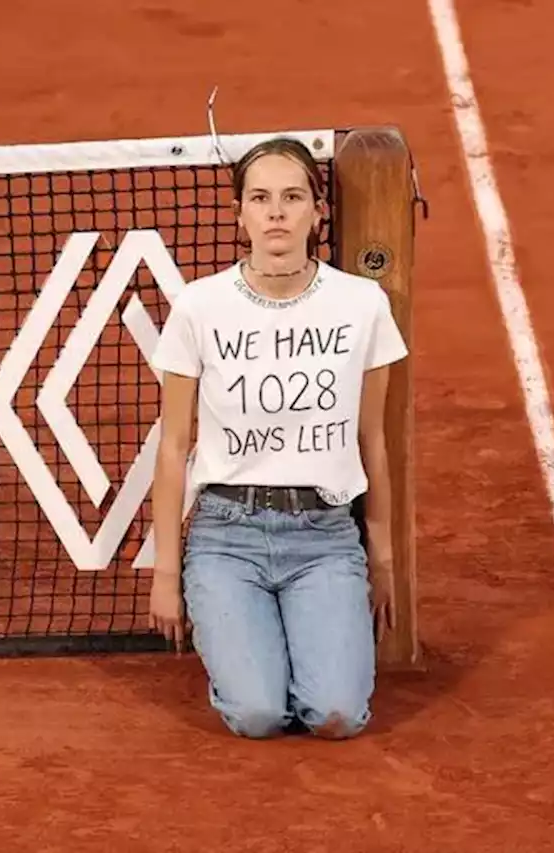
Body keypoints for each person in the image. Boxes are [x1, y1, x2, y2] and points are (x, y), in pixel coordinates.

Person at [146, 135, 409, 740]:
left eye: (292, 197)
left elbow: (375, 439)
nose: (276, 211)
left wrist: (384, 561)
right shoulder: (198, 308)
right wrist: (165, 575)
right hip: (224, 537)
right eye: (260, 197)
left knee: (338, 717)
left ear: (317, 212)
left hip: (325, 538)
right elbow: (172, 445)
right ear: (239, 213)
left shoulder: (362, 305)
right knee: (258, 715)